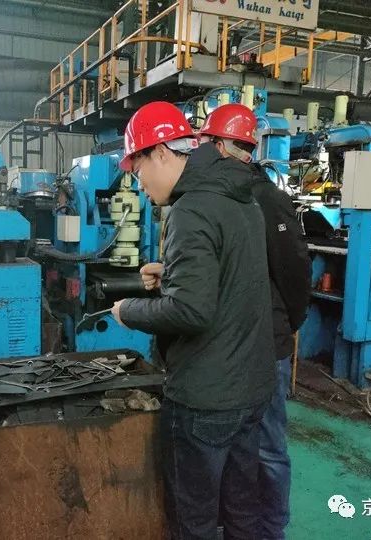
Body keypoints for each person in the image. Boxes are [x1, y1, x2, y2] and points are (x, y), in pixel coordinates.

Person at [111, 101, 276, 539]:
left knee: (194, 521)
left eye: (138, 170)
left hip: (206, 398)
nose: (140, 184)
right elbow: (233, 278)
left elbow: (191, 311)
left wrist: (128, 312)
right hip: (252, 388)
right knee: (242, 510)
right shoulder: (241, 197)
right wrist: (174, 273)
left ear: (161, 152)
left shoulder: (190, 210)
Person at [200, 103, 311, 540]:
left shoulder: (267, 200)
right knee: (237, 447)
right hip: (230, 346)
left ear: (223, 146)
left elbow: (294, 272)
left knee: (266, 447)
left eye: (208, 144)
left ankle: (271, 529)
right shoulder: (216, 199)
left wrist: (286, 325)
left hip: (266, 344)